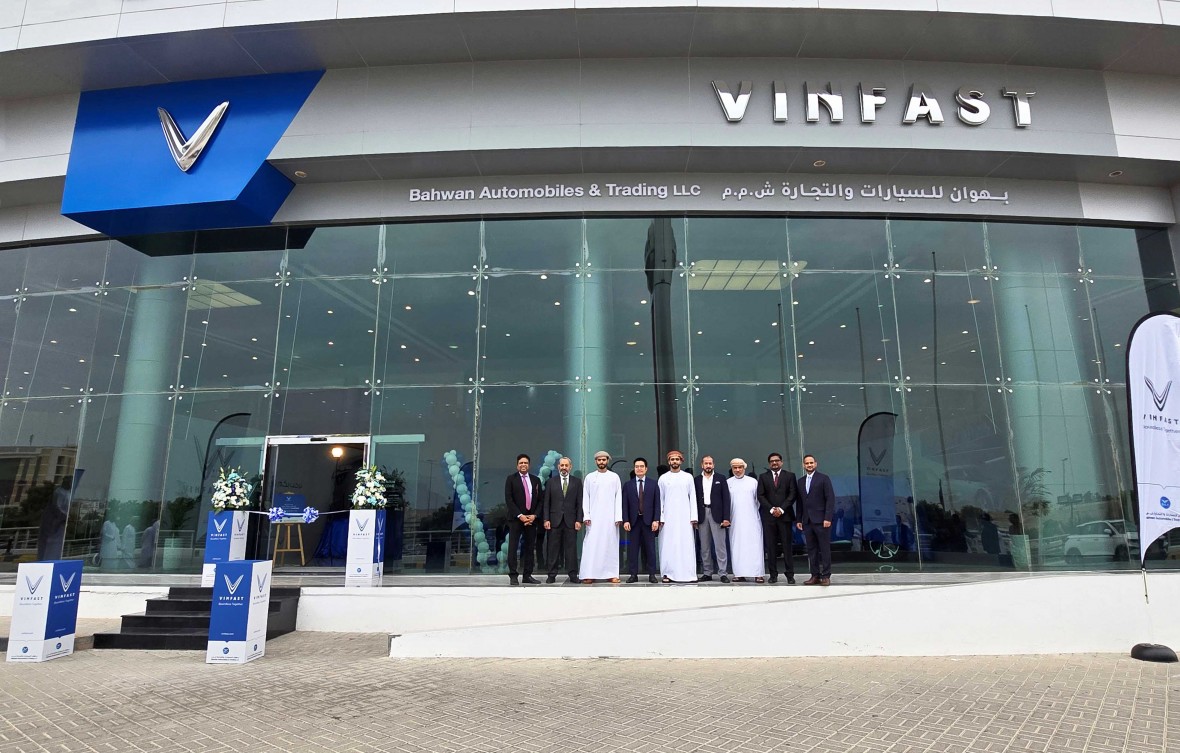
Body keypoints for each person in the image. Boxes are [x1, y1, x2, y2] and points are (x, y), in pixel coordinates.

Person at [579, 450, 623, 584]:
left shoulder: (614, 477)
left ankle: (611, 574)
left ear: (607, 461)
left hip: (610, 519)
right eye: (599, 460)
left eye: (604, 460)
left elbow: (618, 497)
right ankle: (589, 574)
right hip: (593, 519)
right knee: (592, 545)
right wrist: (586, 515)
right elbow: (585, 498)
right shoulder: (590, 477)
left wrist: (618, 517)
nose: (601, 462)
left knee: (610, 545)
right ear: (596, 461)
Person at [657, 449, 698, 583]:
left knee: (686, 545)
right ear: (669, 462)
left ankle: (689, 574)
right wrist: (661, 517)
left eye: (677, 459)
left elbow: (693, 497)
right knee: (668, 545)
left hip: (685, 518)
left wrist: (694, 517)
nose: (674, 461)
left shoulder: (688, 477)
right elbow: (660, 500)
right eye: (672, 459)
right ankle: (667, 574)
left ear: (681, 461)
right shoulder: (663, 478)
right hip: (668, 518)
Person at [757, 451, 798, 584]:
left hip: (785, 516)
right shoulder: (763, 477)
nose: (774, 463)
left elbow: (792, 494)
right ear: (769, 464)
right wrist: (771, 509)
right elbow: (760, 495)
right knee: (771, 547)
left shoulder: (790, 476)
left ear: (781, 462)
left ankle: (790, 575)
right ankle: (773, 575)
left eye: (777, 461)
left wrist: (781, 509)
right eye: (772, 461)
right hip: (769, 517)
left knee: (787, 547)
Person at [796, 454, 836, 586]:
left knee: (824, 549)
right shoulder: (800, 481)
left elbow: (830, 499)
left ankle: (826, 575)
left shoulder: (823, 478)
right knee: (811, 549)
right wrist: (799, 519)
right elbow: (800, 502)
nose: (809, 465)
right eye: (807, 463)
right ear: (803, 465)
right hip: (807, 521)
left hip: (821, 520)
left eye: (811, 463)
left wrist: (827, 518)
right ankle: (815, 575)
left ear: (815, 464)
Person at [543, 456, 583, 584]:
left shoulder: (577, 482)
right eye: (562, 465)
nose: (564, 467)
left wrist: (579, 520)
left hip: (571, 521)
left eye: (566, 465)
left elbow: (580, 503)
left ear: (570, 467)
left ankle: (573, 575)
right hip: (554, 521)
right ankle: (551, 575)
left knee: (571, 550)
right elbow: (546, 503)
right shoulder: (551, 482)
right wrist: (546, 519)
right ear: (558, 467)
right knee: (553, 549)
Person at [504, 453, 543, 585]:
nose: (523, 465)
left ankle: (527, 575)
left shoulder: (535, 480)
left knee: (530, 548)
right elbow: (509, 499)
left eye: (525, 463)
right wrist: (520, 516)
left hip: (531, 519)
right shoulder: (511, 479)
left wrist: (534, 515)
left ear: (529, 465)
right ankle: (513, 575)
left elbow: (540, 500)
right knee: (513, 548)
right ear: (517, 465)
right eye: (521, 463)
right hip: (516, 519)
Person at [622, 457, 660, 583]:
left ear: (646, 469)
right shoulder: (628, 485)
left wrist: (656, 520)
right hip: (633, 522)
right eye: (637, 466)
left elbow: (657, 504)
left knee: (650, 549)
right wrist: (626, 520)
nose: (639, 469)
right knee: (633, 550)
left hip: (649, 521)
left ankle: (652, 575)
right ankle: (633, 575)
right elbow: (624, 505)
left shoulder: (653, 484)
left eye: (641, 466)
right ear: (634, 469)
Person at [726, 458, 765, 583]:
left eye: (740, 467)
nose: (737, 470)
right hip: (735, 520)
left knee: (755, 546)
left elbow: (758, 501)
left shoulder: (753, 482)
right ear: (732, 469)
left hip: (752, 519)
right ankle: (739, 574)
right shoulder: (728, 483)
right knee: (737, 546)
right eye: (735, 468)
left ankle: (758, 574)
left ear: (744, 468)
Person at [695, 455, 731, 582]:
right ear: (702, 465)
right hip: (702, 514)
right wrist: (694, 518)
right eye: (706, 463)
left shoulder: (721, 478)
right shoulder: (696, 480)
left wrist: (726, 518)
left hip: (717, 515)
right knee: (704, 546)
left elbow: (726, 499)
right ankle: (707, 572)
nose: (708, 466)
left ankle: (723, 573)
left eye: (710, 463)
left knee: (720, 546)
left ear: (713, 465)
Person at [36, 477, 71, 561]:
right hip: (55, 522)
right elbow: (57, 507)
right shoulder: (59, 492)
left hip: (61, 522)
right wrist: (66, 516)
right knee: (50, 545)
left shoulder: (68, 492)